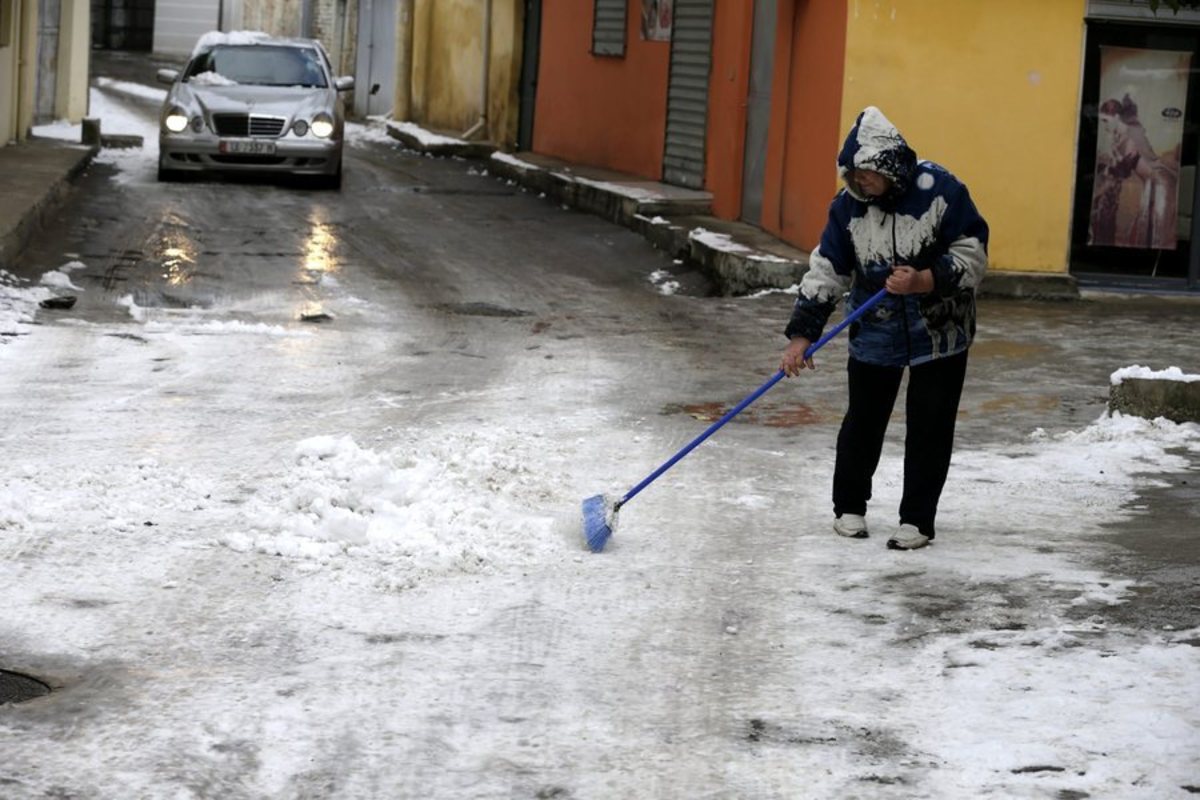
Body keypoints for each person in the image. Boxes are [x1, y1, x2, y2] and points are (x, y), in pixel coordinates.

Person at [779, 106, 989, 550]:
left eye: (867, 174)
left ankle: (917, 521)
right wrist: (803, 335)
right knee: (864, 421)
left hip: (940, 329)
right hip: (876, 328)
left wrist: (925, 280)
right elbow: (827, 269)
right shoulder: (848, 208)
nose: (859, 183)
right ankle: (849, 508)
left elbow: (973, 253)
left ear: (890, 167)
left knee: (930, 425)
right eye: (852, 175)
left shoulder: (941, 191)